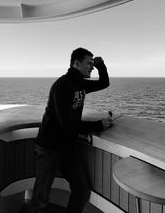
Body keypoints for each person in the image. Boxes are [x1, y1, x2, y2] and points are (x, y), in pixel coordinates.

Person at [31, 47, 113, 213]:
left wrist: (100, 65)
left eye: (92, 64)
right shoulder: (62, 85)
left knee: (81, 190)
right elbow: (66, 124)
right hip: (49, 148)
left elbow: (104, 83)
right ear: (76, 63)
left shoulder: (80, 83)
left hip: (68, 147)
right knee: (40, 198)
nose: (91, 67)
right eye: (88, 63)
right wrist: (98, 125)